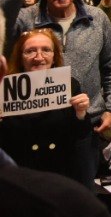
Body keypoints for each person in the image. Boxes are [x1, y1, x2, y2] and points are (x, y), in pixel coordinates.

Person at [3, 0, 111, 180]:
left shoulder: (97, 18)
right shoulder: (26, 17)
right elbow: (3, 24)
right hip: (31, 129)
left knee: (80, 193)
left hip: (86, 125)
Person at [0, 28, 92, 183]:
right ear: (20, 58)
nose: (39, 57)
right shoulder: (5, 89)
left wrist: (81, 114)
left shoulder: (69, 85)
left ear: (54, 57)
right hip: (19, 173)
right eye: (30, 51)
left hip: (60, 172)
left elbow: (80, 135)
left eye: (46, 50)